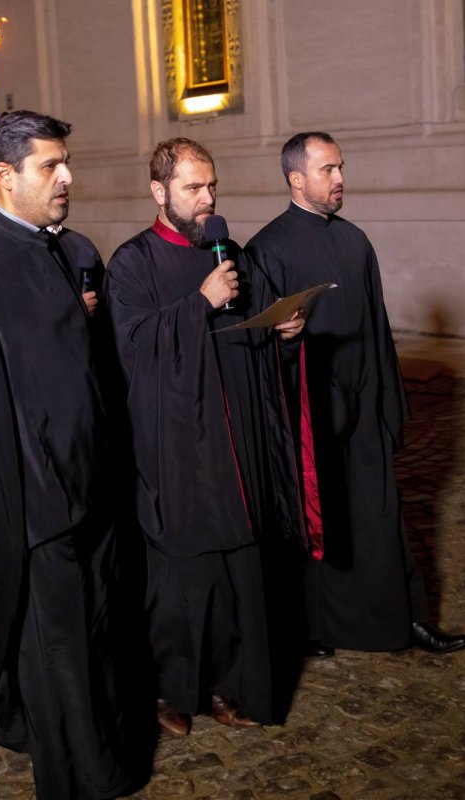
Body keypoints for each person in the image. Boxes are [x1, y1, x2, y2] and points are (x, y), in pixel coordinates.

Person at [0, 110, 138, 800]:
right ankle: (77, 780)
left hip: (88, 489)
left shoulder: (52, 250)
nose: (68, 177)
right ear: (4, 177)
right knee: (59, 657)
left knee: (97, 638)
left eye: (65, 162)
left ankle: (106, 759)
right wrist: (34, 502)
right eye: (52, 166)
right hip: (36, 505)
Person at [104, 138, 309, 736]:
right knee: (181, 579)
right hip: (177, 447)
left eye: (211, 186)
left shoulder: (231, 254)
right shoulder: (132, 262)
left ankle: (229, 685)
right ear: (159, 191)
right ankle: (170, 690)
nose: (207, 200)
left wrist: (284, 330)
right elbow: (132, 349)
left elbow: (251, 330)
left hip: (237, 443)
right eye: (193, 189)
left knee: (239, 572)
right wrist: (198, 303)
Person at [246, 132, 465, 656]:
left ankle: (406, 619)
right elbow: (260, 350)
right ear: (296, 179)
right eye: (328, 170)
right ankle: (315, 627)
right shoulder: (266, 250)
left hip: (363, 404)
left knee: (378, 517)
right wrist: (286, 346)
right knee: (315, 521)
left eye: (341, 168)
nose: (340, 179)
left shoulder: (355, 242)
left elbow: (377, 329)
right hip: (309, 411)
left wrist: (386, 406)